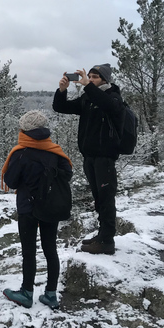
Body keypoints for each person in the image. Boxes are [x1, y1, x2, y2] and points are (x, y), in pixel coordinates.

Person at [1, 110, 72, 309]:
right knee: (51, 249)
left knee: (29, 251)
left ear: (24, 129)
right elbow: (67, 175)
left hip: (27, 207)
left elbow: (11, 181)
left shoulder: (21, 152)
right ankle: (50, 294)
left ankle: (26, 292)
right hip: (50, 206)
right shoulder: (55, 151)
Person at [52, 63, 124, 255]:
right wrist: (62, 91)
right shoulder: (88, 98)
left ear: (105, 80)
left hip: (105, 158)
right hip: (89, 157)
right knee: (99, 198)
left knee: (106, 198)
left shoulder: (113, 97)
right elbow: (61, 107)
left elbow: (108, 106)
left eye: (95, 77)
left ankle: (107, 241)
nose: (90, 80)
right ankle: (102, 235)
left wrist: (87, 86)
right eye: (89, 77)